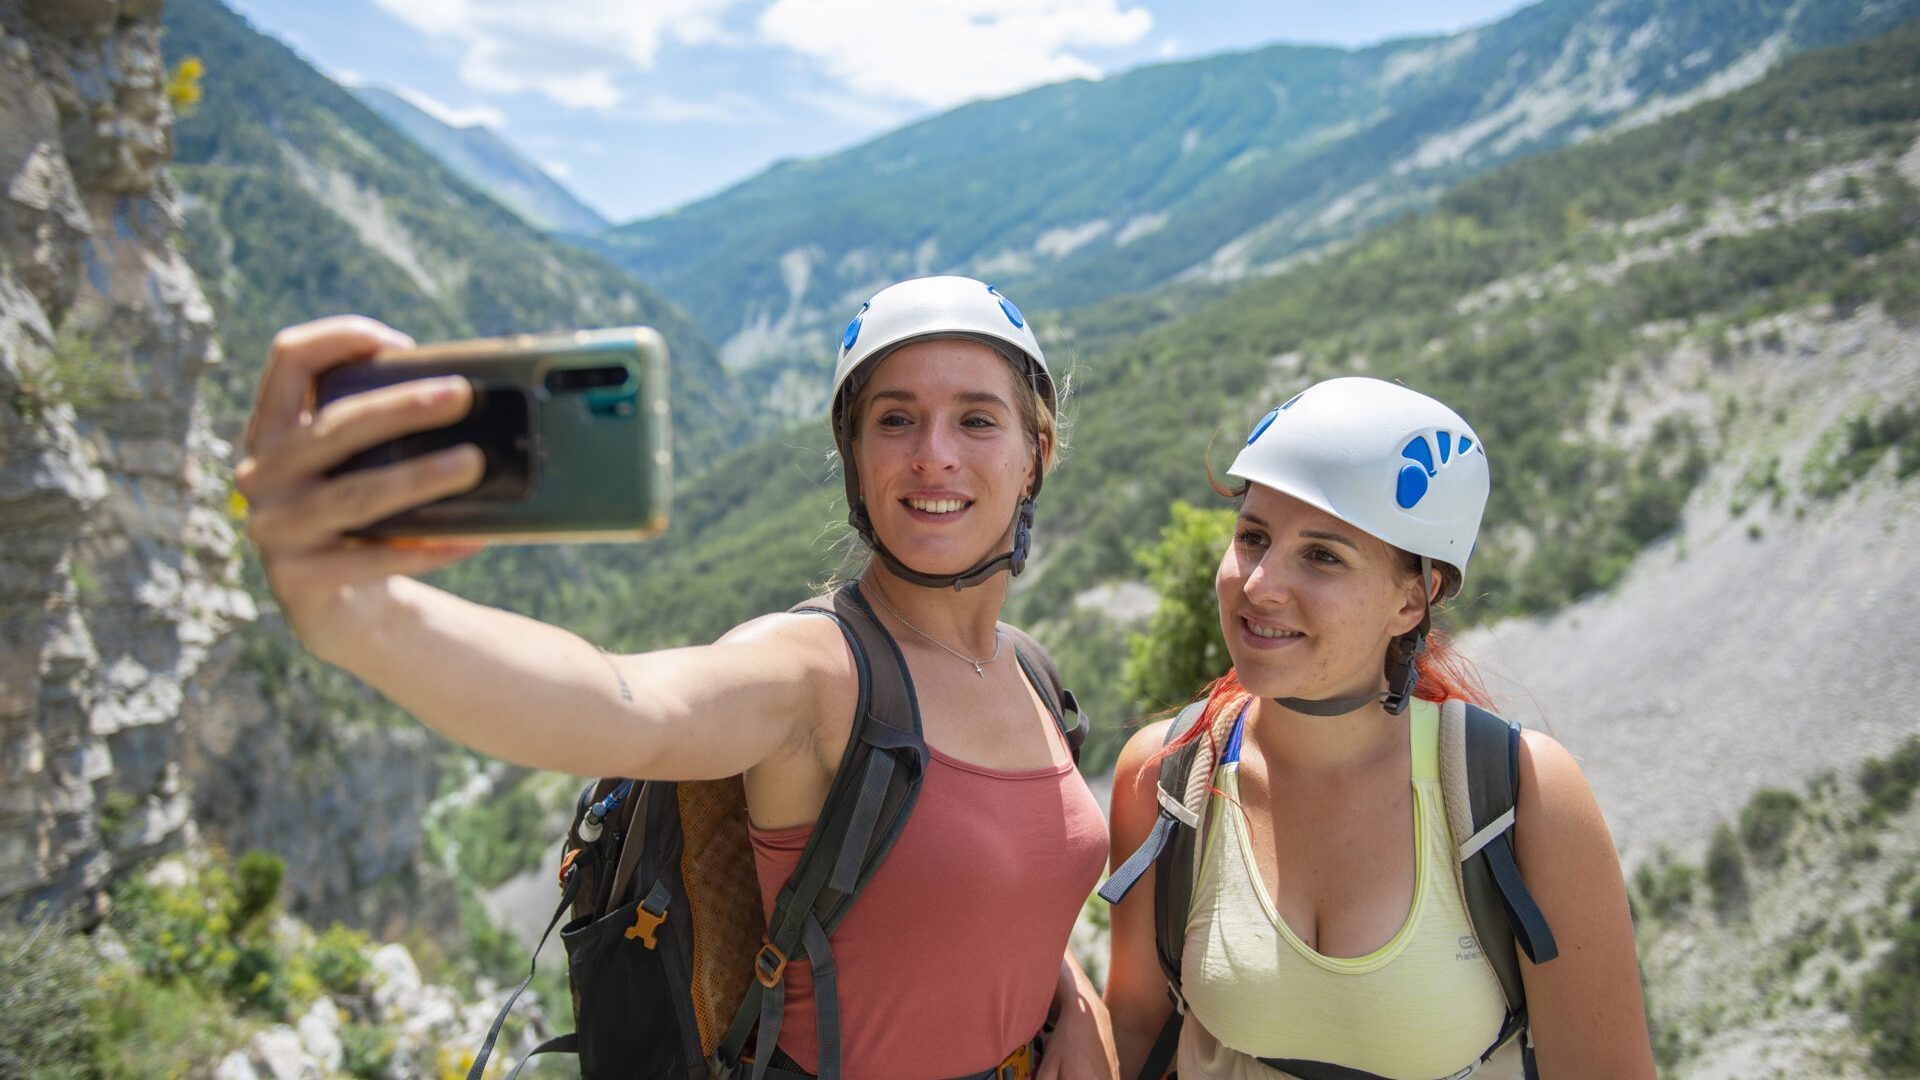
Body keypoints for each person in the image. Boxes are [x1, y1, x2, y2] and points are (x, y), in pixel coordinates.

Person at [234, 276, 1117, 1080]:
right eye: (894, 420)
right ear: (854, 456)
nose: (933, 453)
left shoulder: (1028, 670)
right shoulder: (819, 674)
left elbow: (994, 896)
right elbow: (625, 708)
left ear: (1034, 454)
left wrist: (1071, 999)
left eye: (976, 420)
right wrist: (361, 614)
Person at [1103, 378, 1654, 1079]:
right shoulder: (1169, 776)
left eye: (1323, 556)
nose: (1260, 584)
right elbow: (1133, 1027)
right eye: (1253, 537)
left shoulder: (1522, 798)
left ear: (1411, 600)